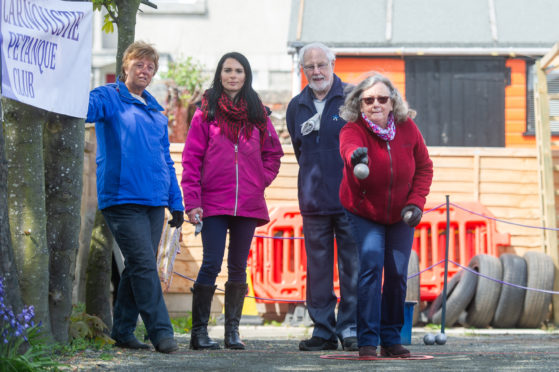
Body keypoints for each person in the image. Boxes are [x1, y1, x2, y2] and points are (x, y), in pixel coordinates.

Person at [181, 52, 283, 351]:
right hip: (213, 203)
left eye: (238, 70)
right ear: (220, 74)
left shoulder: (258, 114)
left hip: (248, 205)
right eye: (227, 70)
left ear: (246, 75)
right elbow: (191, 159)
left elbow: (273, 155)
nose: (233, 75)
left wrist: (257, 181)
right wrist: (192, 201)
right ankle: (198, 333)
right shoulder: (206, 112)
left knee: (239, 266)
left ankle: (232, 333)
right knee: (211, 264)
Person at [86, 41, 184, 353]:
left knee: (135, 267)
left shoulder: (156, 111)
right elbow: (84, 110)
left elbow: (165, 160)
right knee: (143, 263)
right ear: (125, 66)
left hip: (154, 201)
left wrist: (176, 201)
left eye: (150, 67)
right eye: (139, 64)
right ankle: (162, 333)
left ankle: (123, 332)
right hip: (121, 198)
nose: (144, 71)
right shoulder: (109, 97)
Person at [338, 73, 433, 358]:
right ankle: (367, 340)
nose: (376, 104)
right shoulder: (352, 129)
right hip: (364, 211)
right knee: (370, 267)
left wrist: (416, 204)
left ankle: (391, 339)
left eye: (382, 98)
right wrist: (356, 158)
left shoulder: (408, 128)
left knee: (397, 273)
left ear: (393, 102)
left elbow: (425, 168)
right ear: (359, 103)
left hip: (401, 214)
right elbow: (348, 148)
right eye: (368, 100)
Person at [286, 42, 359, 352]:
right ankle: (323, 331)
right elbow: (300, 150)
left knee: (353, 268)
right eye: (309, 66)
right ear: (303, 70)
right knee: (317, 270)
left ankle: (351, 328)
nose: (316, 71)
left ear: (332, 64)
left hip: (351, 201)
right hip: (314, 202)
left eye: (321, 64)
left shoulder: (353, 98)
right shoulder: (296, 106)